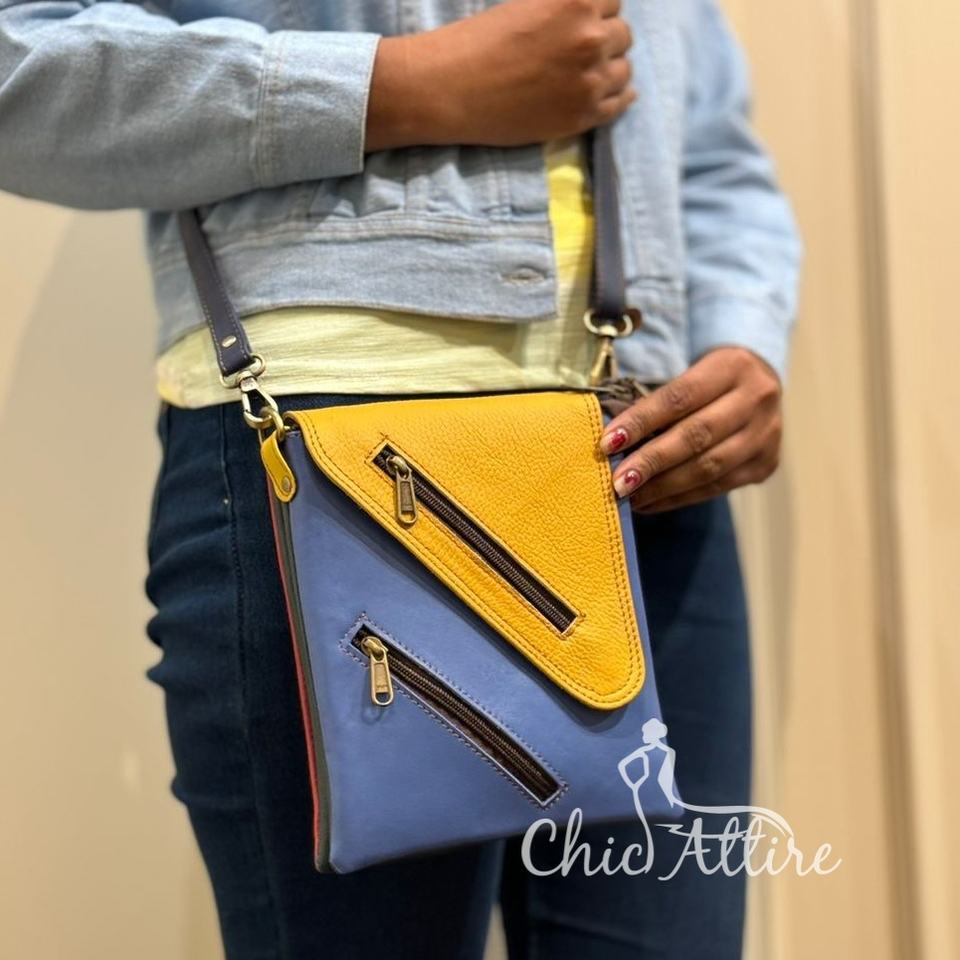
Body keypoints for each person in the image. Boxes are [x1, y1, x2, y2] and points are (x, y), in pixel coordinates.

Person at [0, 0, 801, 956]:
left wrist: (742, 334)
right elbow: (19, 64)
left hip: (646, 464)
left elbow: (709, 147)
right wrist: (402, 86)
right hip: (335, 467)